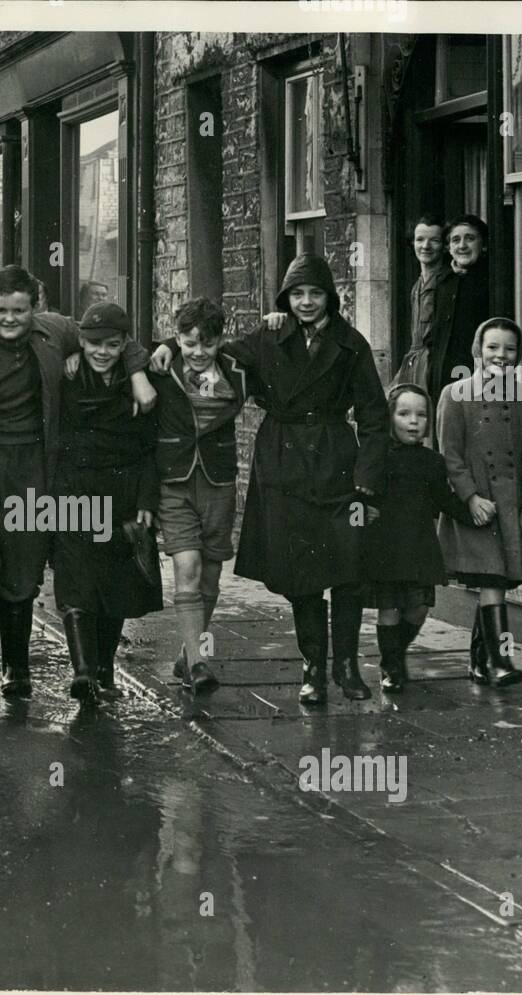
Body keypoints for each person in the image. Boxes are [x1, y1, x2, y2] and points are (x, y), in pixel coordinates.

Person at [0, 264, 150, 699]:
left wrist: (141, 366)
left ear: (35, 308)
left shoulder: (55, 333)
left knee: (21, 565)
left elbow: (110, 334)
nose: (10, 319)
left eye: (19, 310)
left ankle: (17, 669)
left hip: (34, 468)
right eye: (1, 310)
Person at [166, 254, 389, 705]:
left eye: (315, 293)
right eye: (297, 294)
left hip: (336, 461)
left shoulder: (352, 345)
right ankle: (312, 668)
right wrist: (165, 349)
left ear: (330, 297)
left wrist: (366, 478)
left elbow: (372, 414)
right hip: (283, 460)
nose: (306, 302)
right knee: (301, 570)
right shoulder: (269, 337)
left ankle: (346, 664)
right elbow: (210, 348)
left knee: (348, 569)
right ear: (285, 298)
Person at [146, 297, 260, 693]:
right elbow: (125, 349)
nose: (197, 352)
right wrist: (167, 345)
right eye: (188, 343)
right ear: (178, 338)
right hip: (175, 478)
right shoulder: (162, 366)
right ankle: (198, 663)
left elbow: (265, 342)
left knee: (211, 571)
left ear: (220, 340)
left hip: (219, 481)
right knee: (188, 567)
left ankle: (188, 652)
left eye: (206, 344)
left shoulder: (236, 369)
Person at [52, 301, 162, 703]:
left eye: (112, 345)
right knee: (76, 579)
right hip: (72, 489)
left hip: (123, 492)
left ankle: (105, 673)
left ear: (124, 345)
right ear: (81, 341)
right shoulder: (65, 377)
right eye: (94, 343)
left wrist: (148, 498)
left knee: (115, 586)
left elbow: (151, 447)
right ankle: (82, 672)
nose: (102, 352)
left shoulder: (140, 382)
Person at [436, 317, 522, 688]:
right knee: (492, 578)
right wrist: (470, 497)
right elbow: (449, 455)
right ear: (478, 350)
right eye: (493, 347)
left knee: (494, 579)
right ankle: (500, 660)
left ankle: (480, 663)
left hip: (510, 505)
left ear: (519, 354)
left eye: (510, 349)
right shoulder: (454, 394)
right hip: (478, 505)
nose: (501, 355)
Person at [365, 383, 475, 691]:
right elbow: (359, 494)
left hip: (419, 545)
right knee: (389, 608)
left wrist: (473, 512)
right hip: (385, 545)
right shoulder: (378, 457)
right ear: (390, 418)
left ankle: (396, 653)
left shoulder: (432, 462)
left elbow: (444, 500)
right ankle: (391, 668)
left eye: (421, 415)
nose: (413, 421)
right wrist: (360, 512)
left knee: (418, 607)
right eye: (404, 414)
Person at [425, 214, 491, 412]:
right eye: (456, 240)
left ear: (483, 244)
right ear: (448, 248)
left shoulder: (490, 280)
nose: (462, 245)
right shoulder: (443, 282)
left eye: (470, 238)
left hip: (478, 378)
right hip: (443, 381)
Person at [392, 215, 450, 393]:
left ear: (444, 246)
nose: (426, 246)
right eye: (420, 240)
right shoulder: (417, 285)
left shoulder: (445, 283)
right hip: (415, 365)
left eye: (434, 240)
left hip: (434, 366)